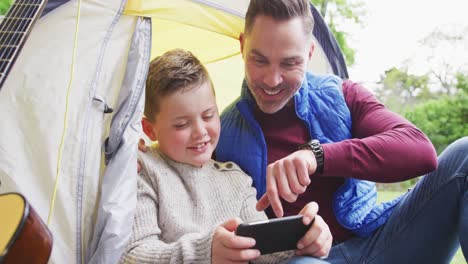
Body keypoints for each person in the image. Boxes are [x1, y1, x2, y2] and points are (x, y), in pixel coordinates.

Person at [213, 0, 468, 263]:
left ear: (309, 53)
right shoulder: (218, 135)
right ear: (243, 46)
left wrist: (317, 156)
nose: (272, 80)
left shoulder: (342, 95)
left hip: (383, 240)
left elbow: (420, 151)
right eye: (259, 60)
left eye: (289, 64)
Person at [122, 49, 329, 264]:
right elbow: (134, 255)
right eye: (182, 124)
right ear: (149, 128)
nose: (200, 131)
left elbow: (264, 251)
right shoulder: (141, 168)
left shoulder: (235, 178)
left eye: (208, 115)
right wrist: (205, 253)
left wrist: (300, 240)